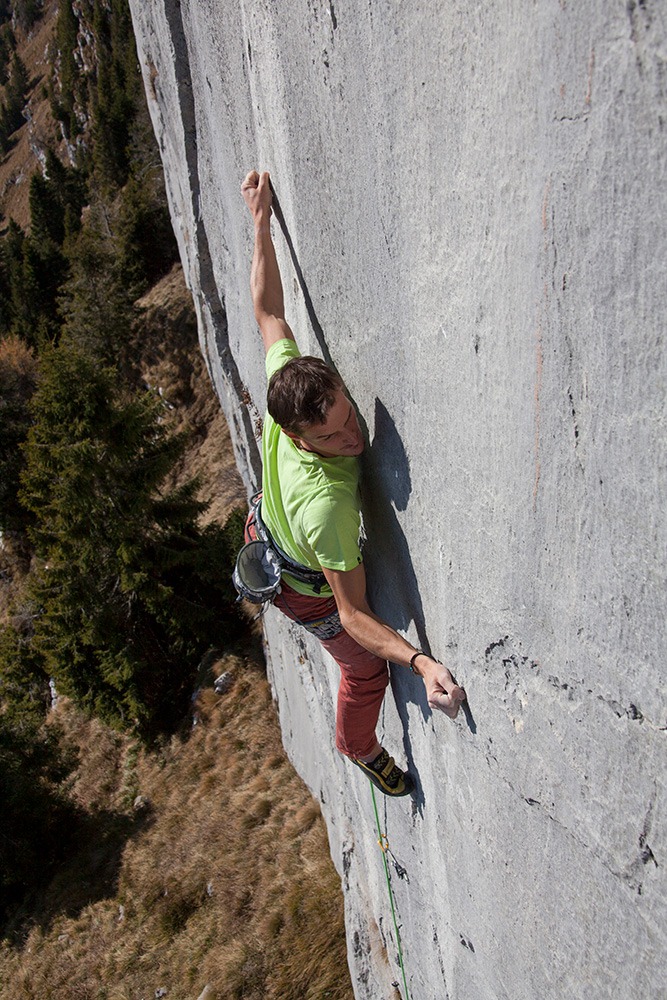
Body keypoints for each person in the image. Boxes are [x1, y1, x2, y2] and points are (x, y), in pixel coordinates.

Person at [241, 169, 465, 797]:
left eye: (346, 417)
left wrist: (259, 222)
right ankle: (357, 746)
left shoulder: (293, 379)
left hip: (268, 522)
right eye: (334, 439)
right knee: (365, 671)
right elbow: (353, 613)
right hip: (301, 580)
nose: (354, 441)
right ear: (299, 439)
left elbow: (268, 314)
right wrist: (419, 661)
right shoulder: (331, 508)